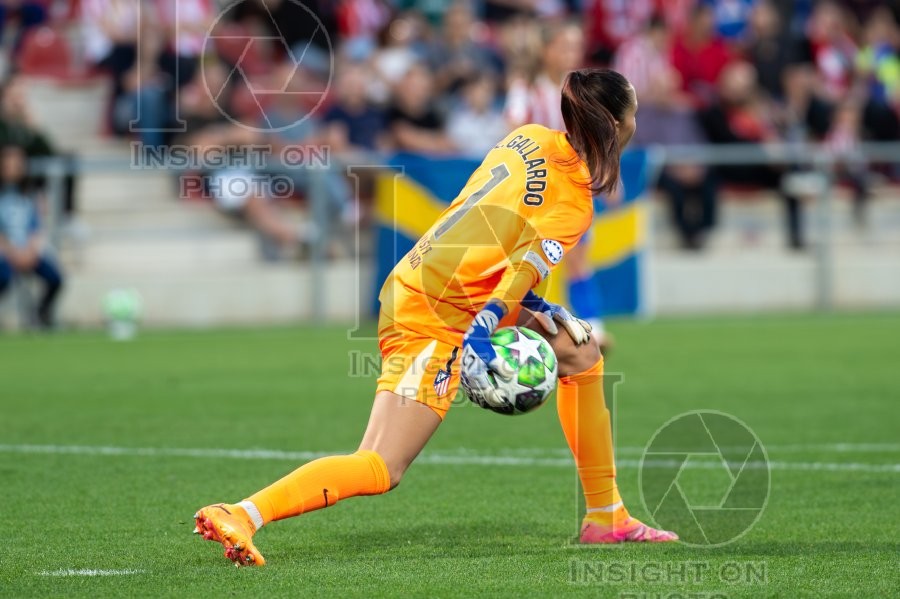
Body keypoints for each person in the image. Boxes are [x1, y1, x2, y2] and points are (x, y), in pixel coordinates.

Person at [193, 68, 678, 567]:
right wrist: (489, 321)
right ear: (617, 124)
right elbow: (522, 267)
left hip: (432, 282)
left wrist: (530, 305)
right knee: (381, 465)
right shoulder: (574, 203)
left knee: (579, 350)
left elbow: (484, 219)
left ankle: (606, 515)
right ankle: (242, 513)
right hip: (436, 313)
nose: (637, 121)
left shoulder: (527, 139)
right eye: (635, 112)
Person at [0, 144, 63, 329]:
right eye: (8, 164)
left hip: (29, 250)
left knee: (56, 278)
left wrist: (30, 250)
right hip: (5, 251)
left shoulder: (32, 193)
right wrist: (12, 252)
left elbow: (37, 226)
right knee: (2, 277)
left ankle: (42, 314)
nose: (13, 168)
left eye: (17, 164)